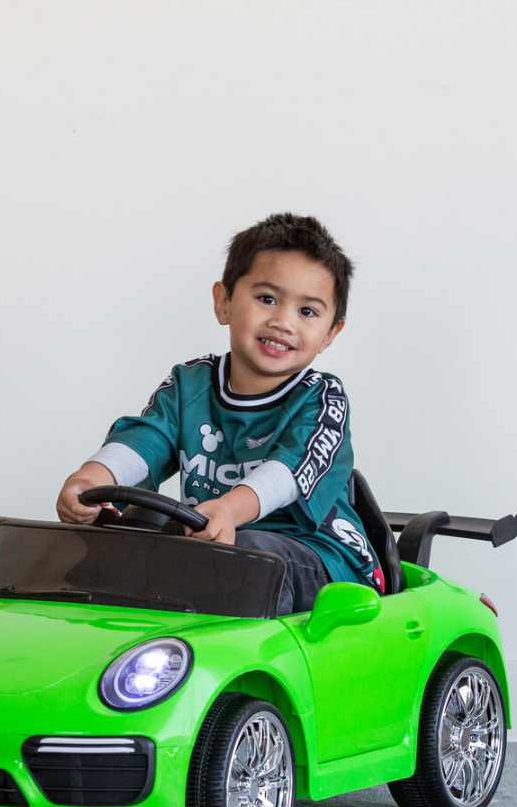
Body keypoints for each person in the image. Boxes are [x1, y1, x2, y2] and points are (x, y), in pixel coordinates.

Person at [56, 213, 383, 615]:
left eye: (308, 312)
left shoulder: (320, 398)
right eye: (267, 299)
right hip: (216, 552)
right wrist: (92, 478)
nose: (283, 321)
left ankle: (240, 673)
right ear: (224, 302)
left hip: (322, 560)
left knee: (245, 557)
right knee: (128, 533)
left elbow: (291, 471)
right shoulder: (191, 385)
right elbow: (145, 441)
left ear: (331, 333)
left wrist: (231, 508)